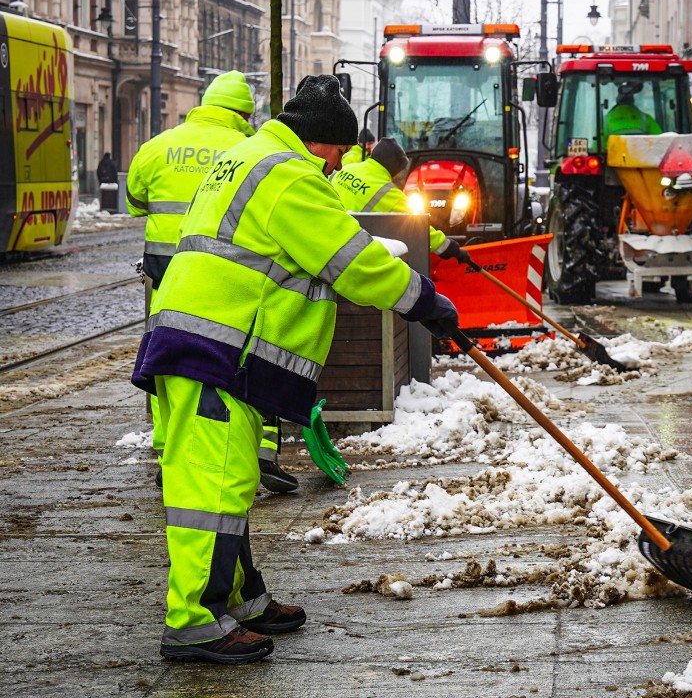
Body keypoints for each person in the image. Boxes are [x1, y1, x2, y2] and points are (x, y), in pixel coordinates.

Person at [130, 74, 459, 664]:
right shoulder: (288, 175)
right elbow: (351, 262)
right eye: (337, 156)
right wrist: (426, 302)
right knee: (209, 490)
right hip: (215, 351)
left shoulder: (252, 157)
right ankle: (192, 621)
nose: (337, 170)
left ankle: (242, 598)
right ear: (321, 143)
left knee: (228, 482)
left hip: (210, 345)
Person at [124, 72, 297, 493]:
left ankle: (169, 448)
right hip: (222, 272)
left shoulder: (155, 147)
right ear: (243, 113)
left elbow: (134, 201)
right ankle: (257, 450)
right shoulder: (247, 150)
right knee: (236, 358)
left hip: (166, 273)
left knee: (165, 358)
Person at [328, 136, 472, 265]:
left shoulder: (347, 169)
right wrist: (450, 248)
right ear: (394, 168)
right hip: (350, 250)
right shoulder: (388, 193)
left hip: (329, 233)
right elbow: (420, 227)